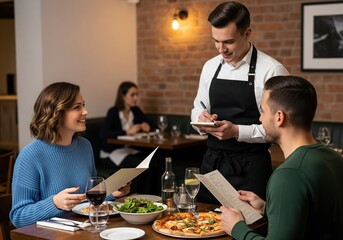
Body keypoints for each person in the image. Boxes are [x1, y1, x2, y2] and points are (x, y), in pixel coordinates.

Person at [220, 75, 343, 239]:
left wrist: (237, 228)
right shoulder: (334, 158)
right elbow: (318, 220)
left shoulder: (289, 174)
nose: (260, 118)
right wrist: (268, 208)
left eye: (263, 110)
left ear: (279, 117)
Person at [191, 1, 289, 204]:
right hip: (212, 166)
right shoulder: (210, 67)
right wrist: (201, 120)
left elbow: (281, 130)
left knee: (248, 230)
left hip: (251, 169)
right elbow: (197, 108)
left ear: (247, 33)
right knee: (200, 226)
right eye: (215, 41)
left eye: (228, 42)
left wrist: (237, 131)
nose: (221, 49)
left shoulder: (272, 71)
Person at [10, 82, 130, 228]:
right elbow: (18, 217)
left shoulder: (85, 146)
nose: (85, 112)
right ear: (56, 113)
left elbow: (89, 195)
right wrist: (54, 203)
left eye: (83, 105)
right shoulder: (30, 156)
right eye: (77, 107)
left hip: (84, 230)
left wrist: (112, 193)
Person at [100, 81, 154, 194]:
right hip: (111, 153)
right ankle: (135, 195)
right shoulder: (113, 112)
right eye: (132, 95)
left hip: (127, 150)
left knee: (151, 160)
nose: (136, 98)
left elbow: (150, 124)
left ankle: (149, 195)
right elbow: (104, 134)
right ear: (123, 96)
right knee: (138, 163)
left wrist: (147, 126)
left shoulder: (136, 111)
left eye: (137, 95)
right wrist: (127, 131)